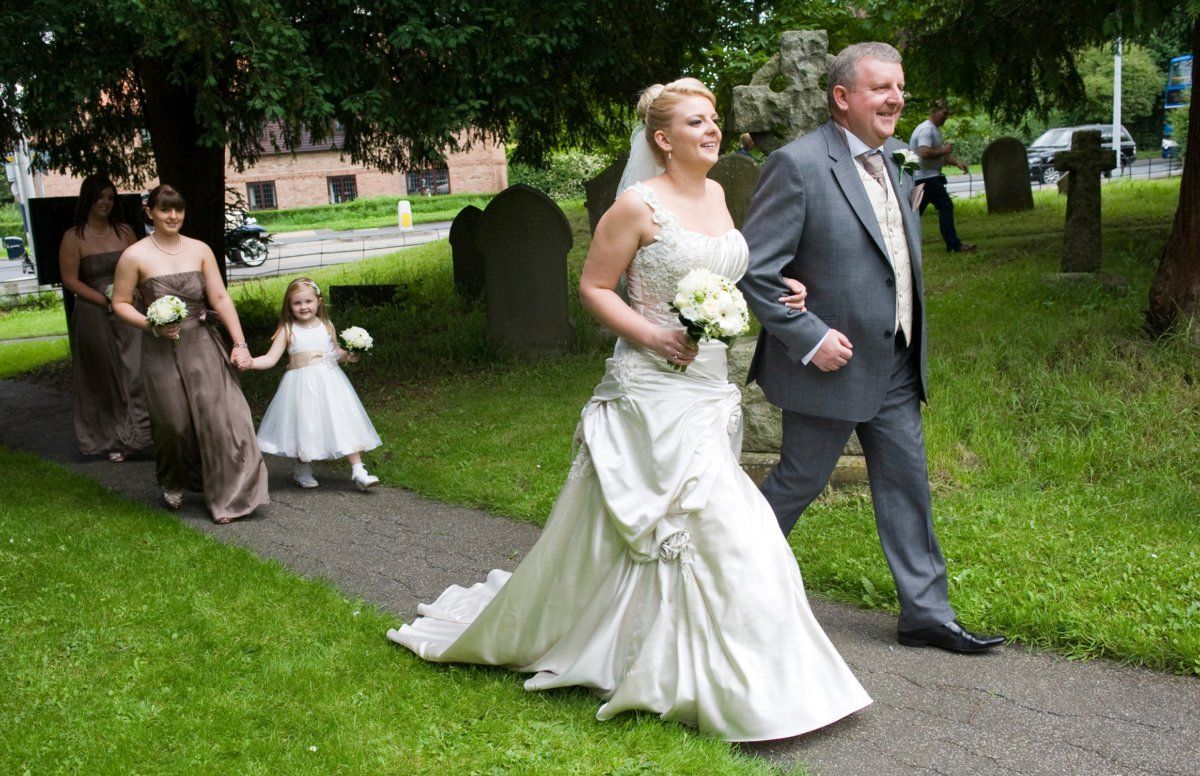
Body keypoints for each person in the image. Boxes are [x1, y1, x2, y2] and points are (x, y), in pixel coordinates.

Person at [387, 78, 871, 742]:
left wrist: (777, 290)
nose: (713, 130)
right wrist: (653, 335)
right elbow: (594, 287)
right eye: (697, 122)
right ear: (663, 139)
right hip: (651, 386)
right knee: (723, 525)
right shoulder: (637, 206)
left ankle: (673, 655)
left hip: (707, 387)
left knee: (689, 527)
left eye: (715, 121)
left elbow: (725, 274)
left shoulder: (719, 195)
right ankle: (738, 685)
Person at [739, 43, 1005, 653]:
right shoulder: (797, 164)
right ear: (842, 97)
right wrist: (810, 339)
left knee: (907, 483)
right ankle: (725, 586)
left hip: (897, 363)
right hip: (829, 368)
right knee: (797, 483)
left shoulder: (896, 160)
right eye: (882, 88)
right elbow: (756, 269)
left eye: (900, 88)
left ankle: (926, 613)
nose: (897, 99)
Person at [111, 184, 269, 523]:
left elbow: (221, 298)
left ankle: (229, 497)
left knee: (221, 419)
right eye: (165, 209)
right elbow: (120, 303)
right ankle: (172, 477)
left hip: (202, 345)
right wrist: (150, 325)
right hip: (160, 349)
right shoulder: (134, 255)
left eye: (178, 209)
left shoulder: (200, 250)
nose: (173, 216)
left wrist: (239, 343)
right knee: (174, 424)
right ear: (149, 211)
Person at [249, 277, 381, 491]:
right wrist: (250, 363)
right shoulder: (288, 330)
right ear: (289, 306)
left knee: (343, 420)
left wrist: (353, 351)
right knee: (306, 424)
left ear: (319, 301)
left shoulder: (327, 326)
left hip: (331, 383)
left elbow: (336, 354)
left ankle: (358, 470)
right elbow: (270, 359)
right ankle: (302, 468)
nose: (303, 307)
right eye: (297, 303)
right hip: (300, 385)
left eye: (308, 301)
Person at [57, 174, 151, 461]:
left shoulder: (124, 232)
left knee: (136, 370)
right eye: (100, 197)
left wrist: (129, 296)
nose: (106, 203)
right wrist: (104, 300)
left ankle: (142, 435)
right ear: (88, 199)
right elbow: (70, 280)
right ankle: (112, 440)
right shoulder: (74, 238)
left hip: (128, 309)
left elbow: (141, 267)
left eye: (111, 198)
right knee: (105, 374)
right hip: (93, 313)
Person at [909, 99, 976, 252]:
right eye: (944, 113)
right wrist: (944, 150)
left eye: (948, 114)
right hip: (926, 178)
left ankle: (900, 243)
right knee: (945, 206)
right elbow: (924, 152)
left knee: (913, 213)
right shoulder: (926, 129)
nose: (946, 117)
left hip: (924, 178)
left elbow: (939, 155)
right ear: (933, 111)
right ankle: (953, 245)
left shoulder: (934, 129)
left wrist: (957, 162)